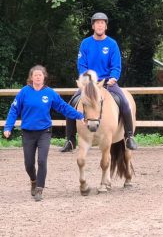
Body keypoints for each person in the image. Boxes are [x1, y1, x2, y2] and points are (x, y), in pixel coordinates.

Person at [3, 65, 84, 201]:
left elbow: (63, 107)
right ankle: (33, 181)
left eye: (40, 75)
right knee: (28, 164)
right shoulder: (24, 92)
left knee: (41, 160)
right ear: (31, 77)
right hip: (28, 132)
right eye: (35, 75)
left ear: (44, 77)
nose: (38, 77)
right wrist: (8, 127)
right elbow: (14, 110)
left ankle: (39, 189)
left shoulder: (50, 93)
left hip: (44, 132)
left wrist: (79, 115)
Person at [60, 12, 137, 152]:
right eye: (97, 23)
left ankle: (129, 136)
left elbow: (116, 65)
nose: (100, 25)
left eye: (102, 23)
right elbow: (81, 64)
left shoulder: (112, 44)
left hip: (107, 82)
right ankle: (70, 140)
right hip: (89, 83)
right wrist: (86, 78)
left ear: (106, 26)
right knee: (72, 102)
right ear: (93, 26)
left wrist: (113, 77)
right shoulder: (85, 43)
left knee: (124, 102)